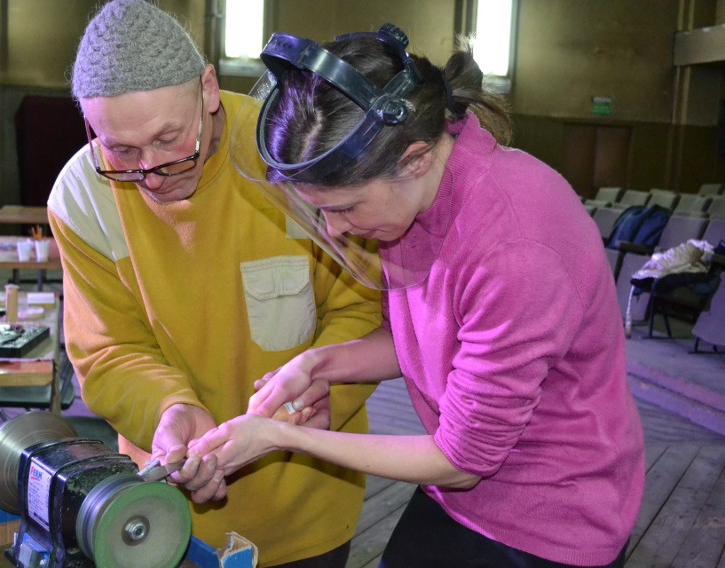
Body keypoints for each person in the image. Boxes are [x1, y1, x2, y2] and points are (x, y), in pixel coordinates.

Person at [189, 24, 646, 568]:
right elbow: (415, 340)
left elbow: (462, 459)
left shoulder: (515, 247)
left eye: (346, 208)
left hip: (552, 516)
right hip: (460, 496)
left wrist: (281, 438)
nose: (335, 231)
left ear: (415, 159)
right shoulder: (407, 205)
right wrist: (316, 364)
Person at [47, 1, 382, 566]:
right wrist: (168, 411)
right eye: (121, 150)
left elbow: (364, 310)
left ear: (207, 89)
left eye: (169, 139)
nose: (149, 173)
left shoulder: (293, 154)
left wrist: (316, 394)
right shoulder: (83, 197)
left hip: (305, 506)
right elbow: (106, 351)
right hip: (161, 514)